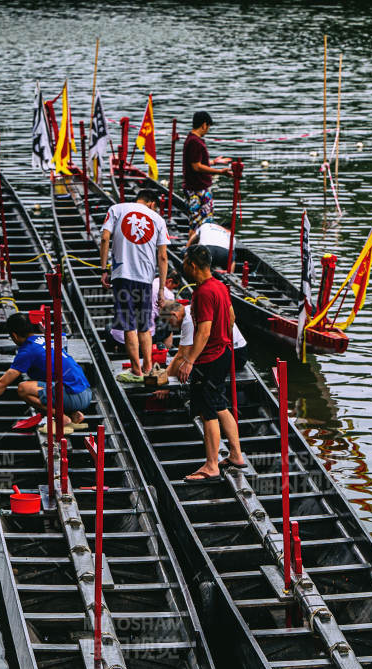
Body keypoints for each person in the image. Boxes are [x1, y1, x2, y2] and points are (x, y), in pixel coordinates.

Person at [176, 244, 245, 480]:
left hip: (210, 357)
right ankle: (236, 454)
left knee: (208, 412)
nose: (183, 266)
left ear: (192, 266)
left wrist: (189, 361)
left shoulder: (204, 292)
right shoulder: (219, 285)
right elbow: (231, 316)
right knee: (220, 404)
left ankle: (212, 465)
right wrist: (224, 339)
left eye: (185, 262)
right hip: (224, 351)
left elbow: (203, 332)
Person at [0, 311, 93, 430]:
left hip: (74, 396)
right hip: (86, 393)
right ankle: (74, 413)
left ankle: (62, 417)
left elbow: (2, 383)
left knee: (23, 389)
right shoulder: (45, 339)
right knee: (42, 383)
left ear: (14, 335)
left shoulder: (27, 351)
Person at [99, 182, 170, 381]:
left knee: (129, 325)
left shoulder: (116, 209)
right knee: (144, 325)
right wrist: (161, 289)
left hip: (122, 276)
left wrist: (104, 269)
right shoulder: (158, 219)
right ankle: (148, 367)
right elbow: (163, 257)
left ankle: (136, 371)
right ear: (152, 204)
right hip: (146, 279)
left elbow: (105, 238)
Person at [182, 112, 230, 241]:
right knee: (200, 225)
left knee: (196, 224)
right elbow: (196, 166)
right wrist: (220, 172)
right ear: (204, 125)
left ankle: (193, 250)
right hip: (197, 190)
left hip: (197, 188)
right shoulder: (195, 142)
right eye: (208, 127)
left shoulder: (192, 140)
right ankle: (193, 252)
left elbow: (196, 162)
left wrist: (214, 162)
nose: (207, 130)